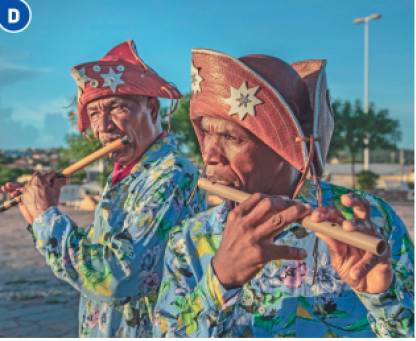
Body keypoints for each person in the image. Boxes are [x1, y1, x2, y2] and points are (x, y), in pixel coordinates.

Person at [154, 49, 414, 337]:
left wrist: (385, 299)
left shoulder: (371, 220)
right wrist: (220, 282)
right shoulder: (189, 240)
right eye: (206, 134)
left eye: (230, 137)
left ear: (285, 145)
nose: (209, 156)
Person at [1, 40, 206, 338]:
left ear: (151, 109)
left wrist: (48, 219)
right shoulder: (123, 176)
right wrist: (40, 213)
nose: (103, 127)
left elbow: (117, 278)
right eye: (94, 113)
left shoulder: (172, 174)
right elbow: (102, 253)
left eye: (116, 108)